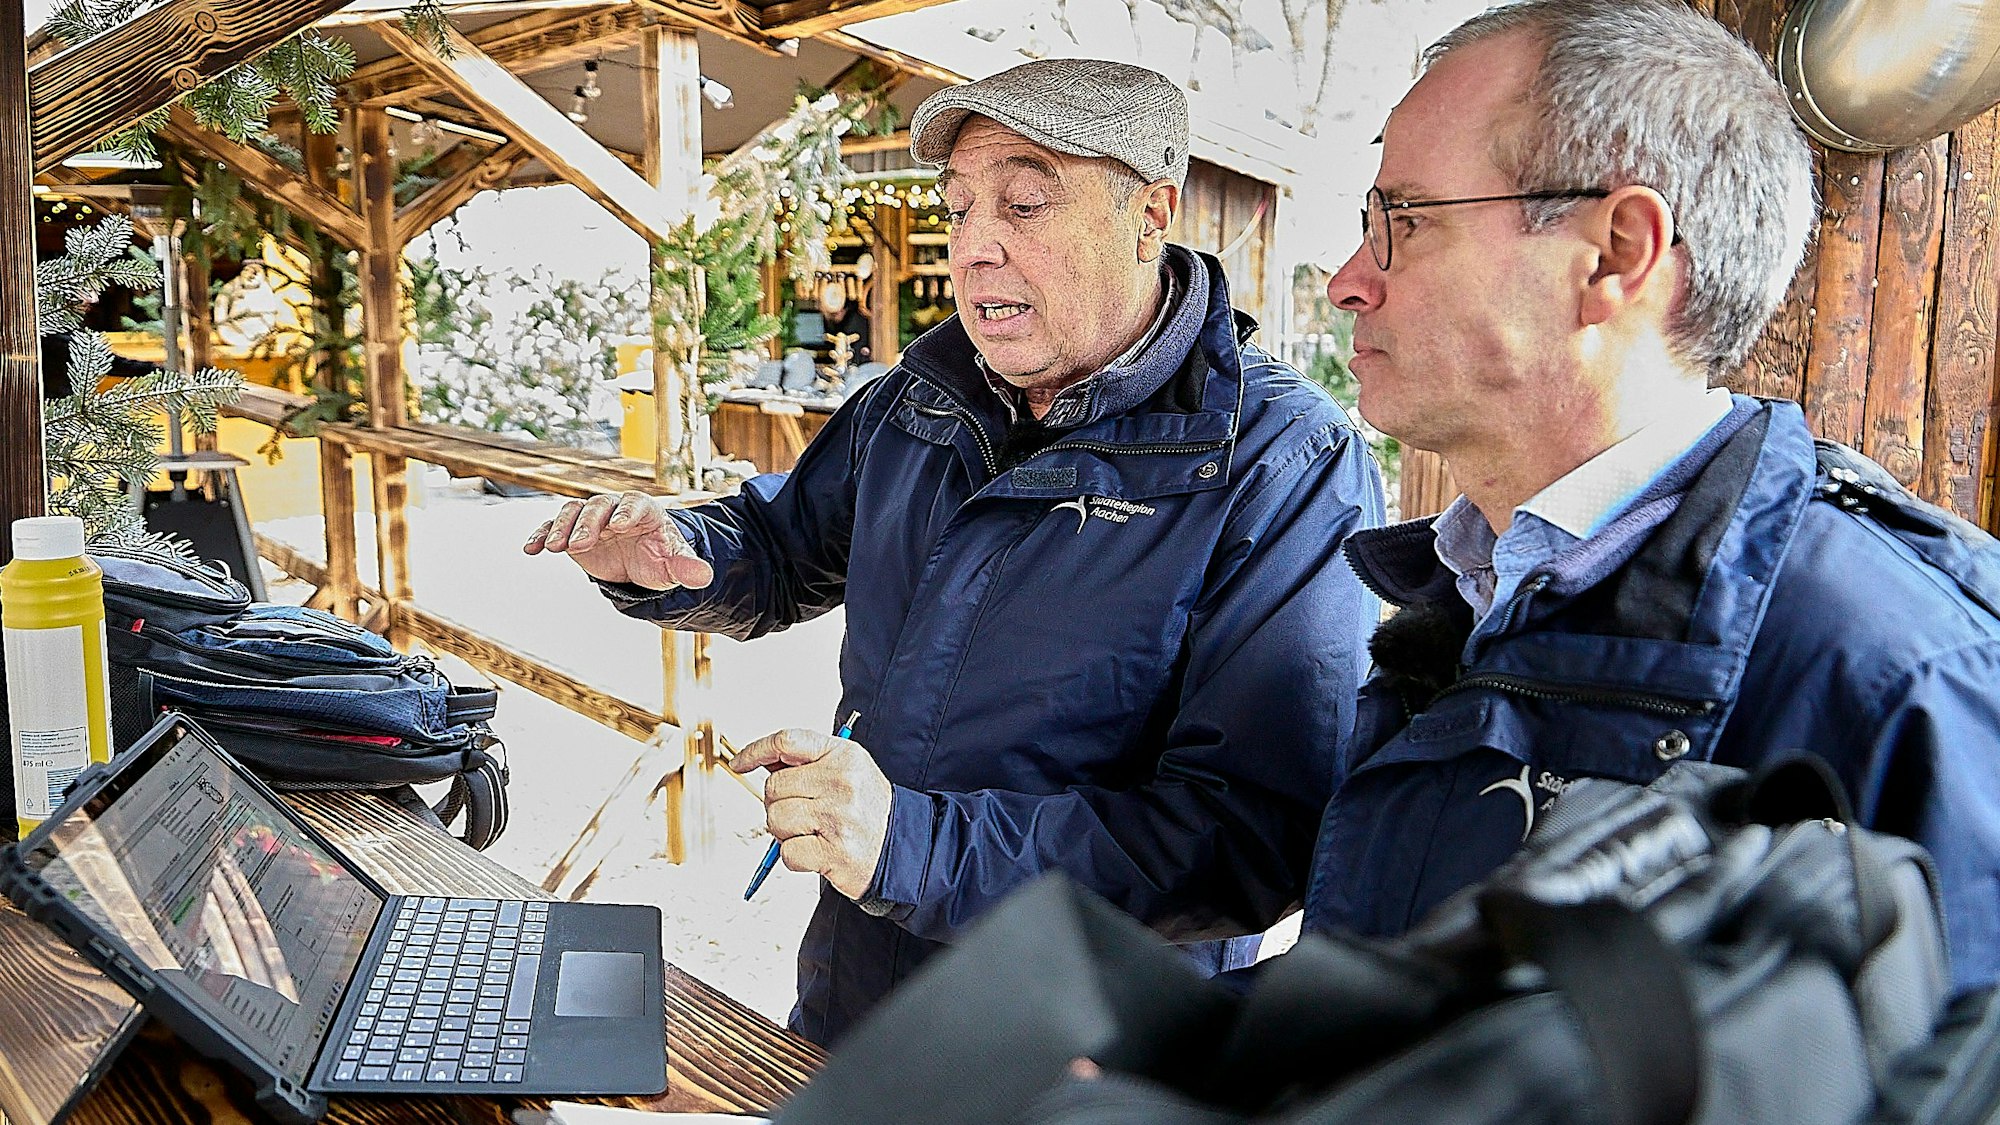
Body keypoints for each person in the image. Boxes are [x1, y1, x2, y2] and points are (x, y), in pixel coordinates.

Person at [526, 58, 1386, 1043]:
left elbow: (1249, 840)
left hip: (1074, 1049)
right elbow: (784, 540)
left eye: (1022, 204)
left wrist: (910, 845)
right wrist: (684, 553)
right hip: (856, 990)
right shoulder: (917, 400)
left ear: (1151, 214)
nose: (972, 247)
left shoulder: (1282, 462)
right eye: (959, 206)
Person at [1304, 0, 2000, 991]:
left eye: (1403, 223)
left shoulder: (1907, 674)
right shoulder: (1471, 589)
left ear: (1613, 254)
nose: (1346, 281)